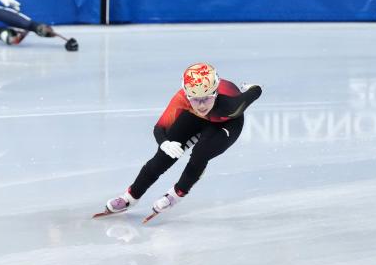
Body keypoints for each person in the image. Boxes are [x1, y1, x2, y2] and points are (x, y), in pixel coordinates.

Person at [101, 63, 262, 218]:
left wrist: (250, 88)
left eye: (206, 98)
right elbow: (160, 128)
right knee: (163, 157)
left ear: (215, 93)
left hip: (227, 123)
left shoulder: (232, 105)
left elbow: (257, 90)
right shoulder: (182, 99)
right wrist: (165, 143)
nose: (201, 105)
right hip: (193, 118)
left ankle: (176, 194)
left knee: (200, 153)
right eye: (194, 98)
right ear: (186, 94)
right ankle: (130, 197)